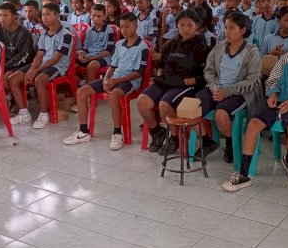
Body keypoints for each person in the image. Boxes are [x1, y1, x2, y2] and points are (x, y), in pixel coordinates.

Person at [223, 21, 288, 192]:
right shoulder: (287, 57)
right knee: (253, 125)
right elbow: (273, 78)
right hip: (277, 100)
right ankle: (243, 174)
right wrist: (273, 93)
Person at [64, 12, 150, 149]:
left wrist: (116, 81)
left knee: (114, 95)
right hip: (115, 77)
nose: (124, 30)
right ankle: (83, 131)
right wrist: (107, 78)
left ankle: (117, 133)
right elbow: (113, 65)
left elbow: (139, 73)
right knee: (82, 92)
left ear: (135, 26)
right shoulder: (120, 44)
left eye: (127, 27)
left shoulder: (143, 47)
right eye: (121, 27)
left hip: (130, 81)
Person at [138, 9, 210, 155]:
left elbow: (206, 73)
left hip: (184, 84)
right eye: (182, 25)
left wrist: (194, 80)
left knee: (165, 105)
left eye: (190, 25)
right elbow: (162, 65)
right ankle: (157, 132)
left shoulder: (202, 46)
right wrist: (158, 74)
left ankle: (174, 138)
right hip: (165, 81)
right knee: (142, 101)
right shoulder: (171, 44)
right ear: (177, 26)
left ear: (197, 25)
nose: (186, 29)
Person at [194, 11, 261, 162]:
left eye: (232, 28)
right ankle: (206, 141)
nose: (227, 31)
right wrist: (214, 88)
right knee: (192, 108)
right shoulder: (219, 48)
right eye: (226, 27)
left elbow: (253, 80)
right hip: (217, 89)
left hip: (240, 92)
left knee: (221, 114)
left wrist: (227, 91)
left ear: (243, 30)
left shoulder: (251, 52)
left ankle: (230, 144)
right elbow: (209, 71)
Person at [7, 3, 74, 129]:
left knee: (39, 80)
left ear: (57, 15)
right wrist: (32, 69)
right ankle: (24, 113)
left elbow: (56, 59)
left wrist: (36, 70)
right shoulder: (44, 33)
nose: (45, 17)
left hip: (58, 67)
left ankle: (44, 115)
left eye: (48, 14)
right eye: (43, 15)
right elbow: (39, 55)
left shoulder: (66, 35)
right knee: (13, 78)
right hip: (42, 64)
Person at [76, 4, 116, 83]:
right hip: (90, 55)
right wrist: (81, 54)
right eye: (93, 16)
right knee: (71, 61)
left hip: (104, 57)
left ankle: (90, 89)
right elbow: (86, 49)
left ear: (104, 16)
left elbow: (108, 51)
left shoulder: (109, 31)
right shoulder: (89, 31)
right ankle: (81, 82)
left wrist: (91, 58)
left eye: (99, 16)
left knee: (91, 66)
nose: (95, 18)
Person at [0, 2, 35, 78]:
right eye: (0, 15)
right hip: (5, 64)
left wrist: (5, 66)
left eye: (5, 15)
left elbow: (24, 56)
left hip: (21, 64)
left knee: (6, 77)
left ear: (14, 17)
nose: (2, 18)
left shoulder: (24, 33)